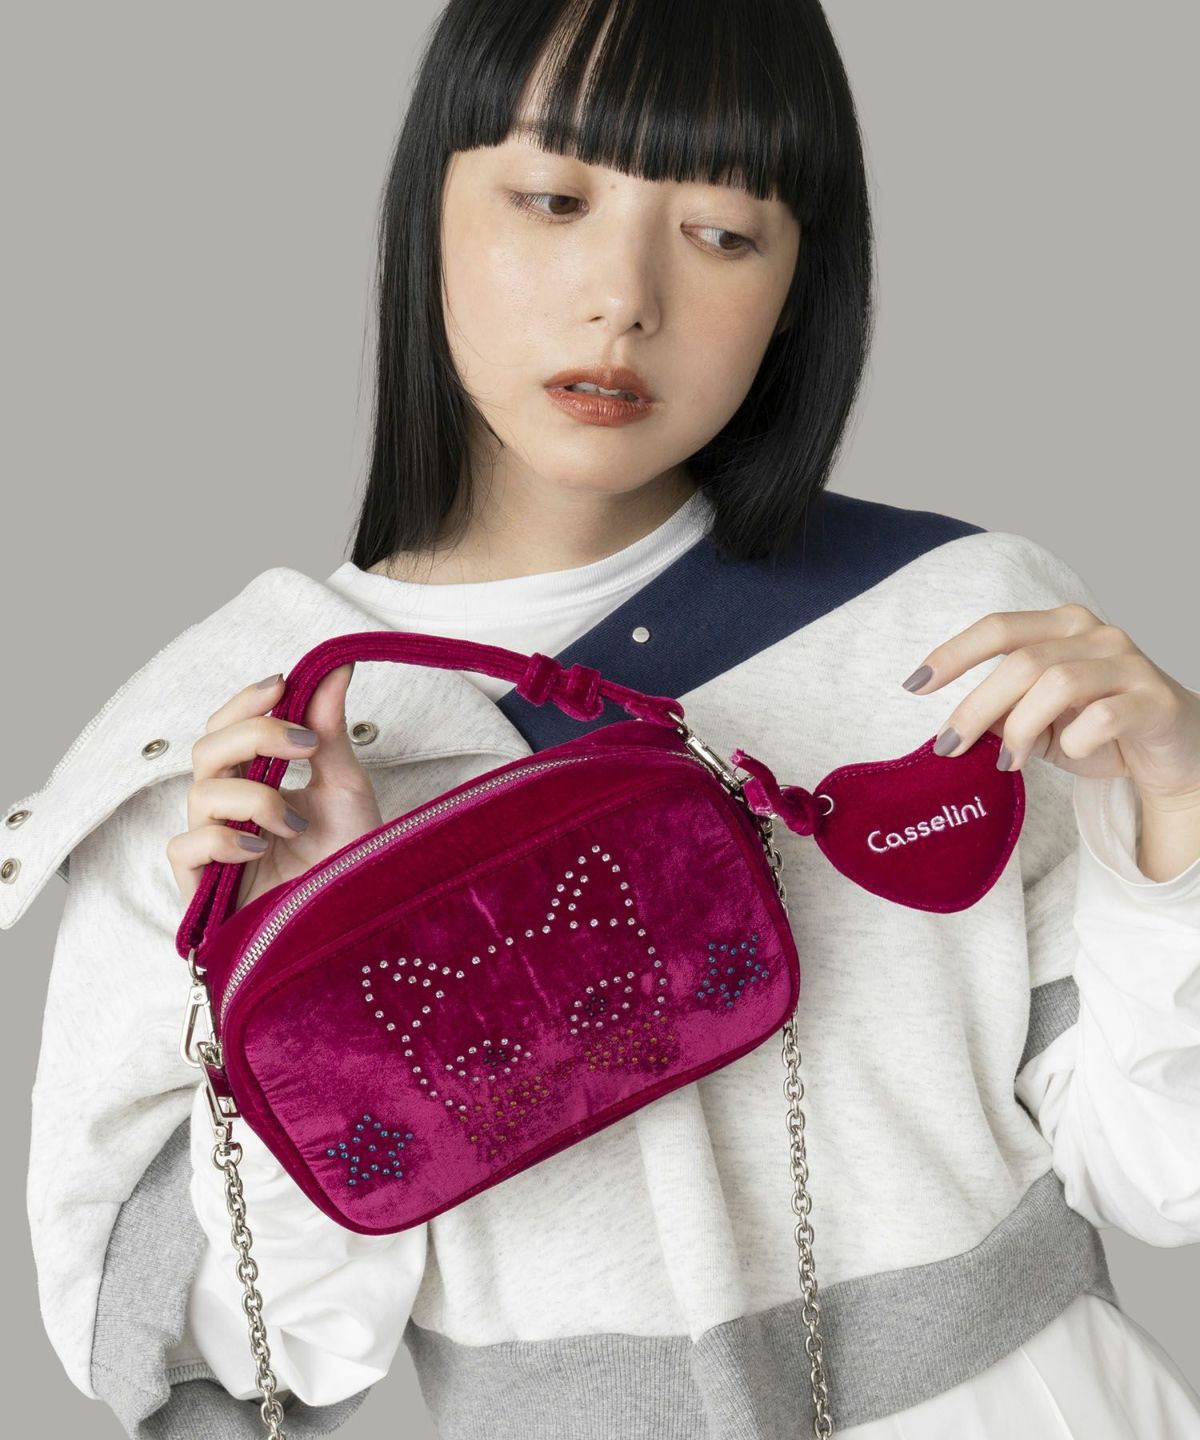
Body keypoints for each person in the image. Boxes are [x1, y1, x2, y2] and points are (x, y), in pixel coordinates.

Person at [4, 1, 1199, 1436]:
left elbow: (1165, 1175)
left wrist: (1183, 820)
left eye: (724, 233)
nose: (625, 298)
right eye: (554, 200)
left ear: (801, 283)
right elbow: (239, 1358)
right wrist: (314, 957)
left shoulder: (957, 629)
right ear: (428, 209)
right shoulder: (223, 758)